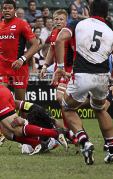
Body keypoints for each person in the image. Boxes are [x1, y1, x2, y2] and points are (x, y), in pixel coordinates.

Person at [52, 0, 113, 164]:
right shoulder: (112, 34)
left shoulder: (78, 24)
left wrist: (59, 67)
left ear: (88, 11)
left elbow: (59, 39)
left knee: (67, 109)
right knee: (100, 110)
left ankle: (84, 141)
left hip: (81, 75)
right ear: (107, 14)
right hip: (102, 78)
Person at [0, 0, 39, 147]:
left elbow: (35, 45)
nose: (7, 11)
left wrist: (22, 59)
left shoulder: (22, 24)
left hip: (19, 67)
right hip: (3, 66)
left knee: (21, 104)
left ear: (15, 10)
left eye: (10, 8)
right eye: (5, 8)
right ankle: (3, 133)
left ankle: (25, 133)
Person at [40, 9, 76, 144]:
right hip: (58, 70)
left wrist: (74, 70)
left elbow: (75, 52)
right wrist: (45, 66)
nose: (58, 21)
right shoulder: (54, 32)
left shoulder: (68, 34)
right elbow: (51, 50)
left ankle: (70, 131)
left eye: (61, 19)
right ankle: (72, 131)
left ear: (66, 21)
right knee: (63, 104)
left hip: (68, 70)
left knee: (61, 98)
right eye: (56, 19)